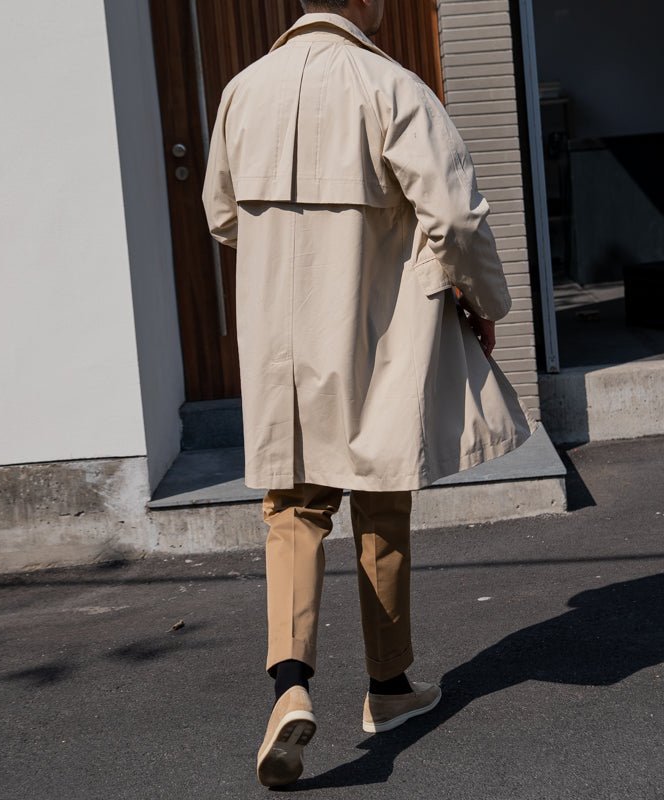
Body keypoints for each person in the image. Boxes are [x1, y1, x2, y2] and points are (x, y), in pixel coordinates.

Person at [202, 0, 532, 787]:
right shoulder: (393, 86)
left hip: (283, 343)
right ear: (369, 4)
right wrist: (486, 304)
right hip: (378, 330)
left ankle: (290, 687)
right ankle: (386, 687)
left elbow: (221, 217)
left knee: (293, 509)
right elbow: (454, 216)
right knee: (382, 500)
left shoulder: (242, 91)